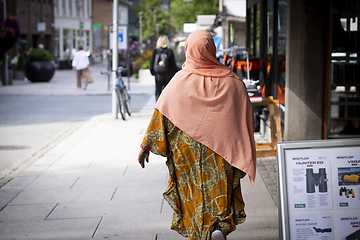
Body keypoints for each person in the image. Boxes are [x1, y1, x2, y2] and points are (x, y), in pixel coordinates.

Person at [138, 30, 256, 240]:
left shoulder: (178, 82)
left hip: (187, 154)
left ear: (188, 49)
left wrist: (145, 147)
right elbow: (244, 120)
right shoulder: (233, 82)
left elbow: (160, 116)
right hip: (221, 152)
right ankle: (218, 226)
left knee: (193, 192)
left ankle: (199, 233)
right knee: (219, 189)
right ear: (212, 48)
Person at [150, 35, 178, 101]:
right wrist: (175, 73)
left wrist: (152, 72)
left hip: (158, 74)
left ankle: (158, 105)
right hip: (168, 74)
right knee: (167, 91)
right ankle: (166, 105)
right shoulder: (169, 51)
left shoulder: (156, 51)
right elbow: (173, 64)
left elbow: (152, 62)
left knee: (158, 90)